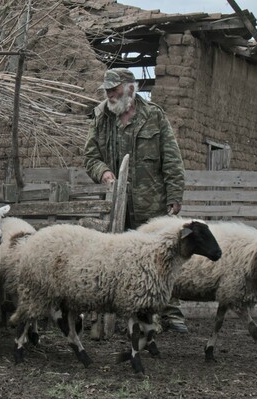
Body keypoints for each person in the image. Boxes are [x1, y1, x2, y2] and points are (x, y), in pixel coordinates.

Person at [84, 68, 188, 333]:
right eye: (107, 90)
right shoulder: (101, 117)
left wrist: (175, 195)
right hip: (116, 205)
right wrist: (103, 172)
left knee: (161, 259)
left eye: (114, 90)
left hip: (150, 203)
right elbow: (90, 156)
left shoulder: (154, 116)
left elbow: (172, 159)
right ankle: (122, 313)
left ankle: (170, 314)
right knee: (116, 258)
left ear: (130, 88)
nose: (110, 95)